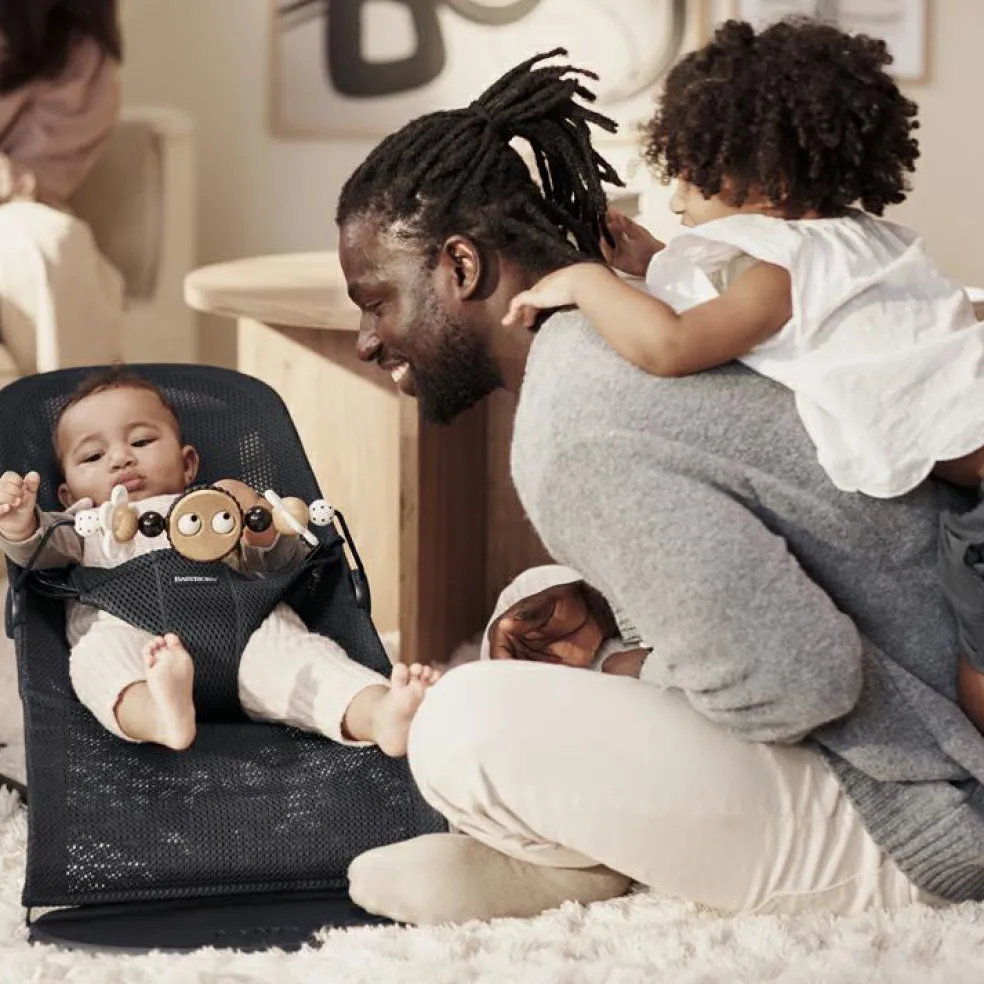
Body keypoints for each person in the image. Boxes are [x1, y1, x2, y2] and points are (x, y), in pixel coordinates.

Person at [331, 45, 984, 925]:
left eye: (375, 301)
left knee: (459, 723)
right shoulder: (664, 308)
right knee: (531, 600)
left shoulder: (575, 426)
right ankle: (597, 856)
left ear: (460, 267)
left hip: (927, 795)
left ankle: (597, 864)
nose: (368, 339)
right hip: (926, 658)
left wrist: (616, 662)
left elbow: (803, 680)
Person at [0, 367, 440, 754]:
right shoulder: (82, 523)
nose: (121, 457)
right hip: (133, 636)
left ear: (188, 463)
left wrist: (260, 526)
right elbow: (37, 555)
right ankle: (159, 714)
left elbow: (280, 564)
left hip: (245, 629)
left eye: (142, 440)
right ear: (68, 493)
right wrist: (21, 524)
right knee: (97, 657)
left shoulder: (220, 504)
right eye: (93, 456)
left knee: (305, 662)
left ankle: (379, 713)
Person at [0, 0, 125, 381]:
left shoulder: (80, 60)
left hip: (17, 209)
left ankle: (69, 420)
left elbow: (39, 177)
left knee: (45, 244)